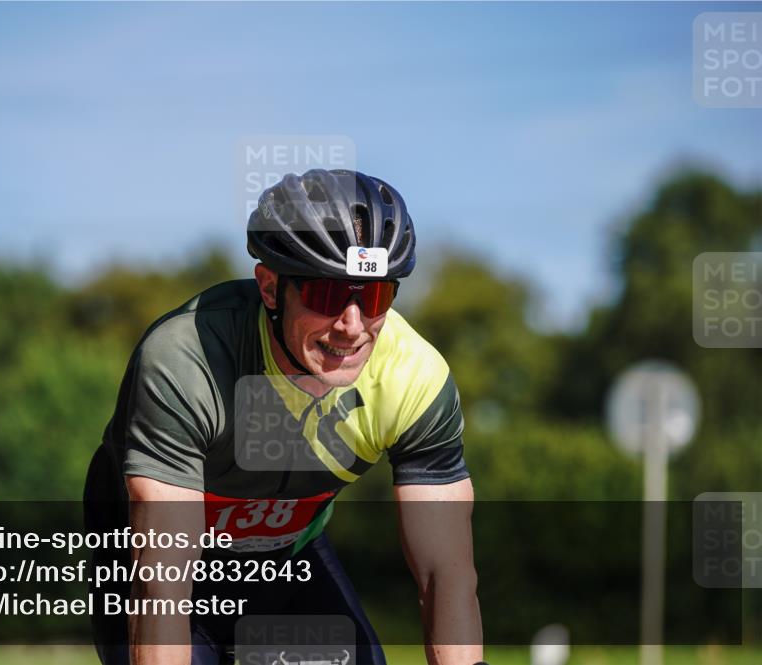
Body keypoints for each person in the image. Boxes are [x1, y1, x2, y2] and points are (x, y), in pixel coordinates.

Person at [84, 169, 483, 665]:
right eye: (328, 295)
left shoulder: (415, 378)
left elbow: (445, 574)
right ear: (271, 288)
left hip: (286, 558)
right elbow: (163, 576)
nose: (352, 326)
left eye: (375, 295)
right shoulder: (188, 359)